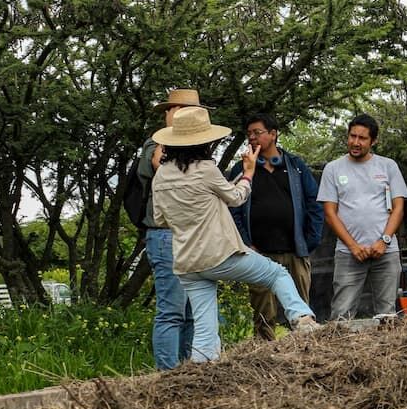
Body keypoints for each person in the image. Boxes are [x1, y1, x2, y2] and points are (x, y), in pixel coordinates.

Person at [151, 107, 318, 362]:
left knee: (205, 329)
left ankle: (201, 371)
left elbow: (160, 219)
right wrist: (248, 172)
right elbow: (237, 197)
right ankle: (302, 320)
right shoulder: (205, 168)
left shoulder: (161, 175)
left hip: (187, 262)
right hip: (219, 254)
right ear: (203, 141)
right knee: (277, 274)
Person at [227, 113, 324, 340]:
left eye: (257, 132)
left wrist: (311, 240)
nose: (252, 137)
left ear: (273, 134)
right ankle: (264, 354)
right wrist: (245, 243)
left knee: (301, 314)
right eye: (249, 134)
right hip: (259, 253)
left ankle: (305, 353)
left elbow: (314, 203)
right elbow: (233, 209)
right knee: (263, 316)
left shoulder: (295, 166)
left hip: (295, 251)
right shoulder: (242, 168)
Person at [138, 88, 206, 370]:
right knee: (171, 312)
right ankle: (167, 376)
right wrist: (171, 130)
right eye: (178, 110)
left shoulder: (197, 147)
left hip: (193, 235)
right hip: (166, 234)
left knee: (192, 313)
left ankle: (186, 372)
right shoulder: (156, 143)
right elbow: (158, 165)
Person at [317, 113, 407, 319]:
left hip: (386, 252)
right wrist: (353, 246)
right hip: (348, 253)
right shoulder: (333, 169)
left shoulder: (388, 166)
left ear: (373, 141)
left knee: (387, 315)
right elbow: (330, 213)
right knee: (341, 314)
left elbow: (398, 208)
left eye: (362, 138)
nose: (356, 142)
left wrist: (384, 241)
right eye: (353, 136)